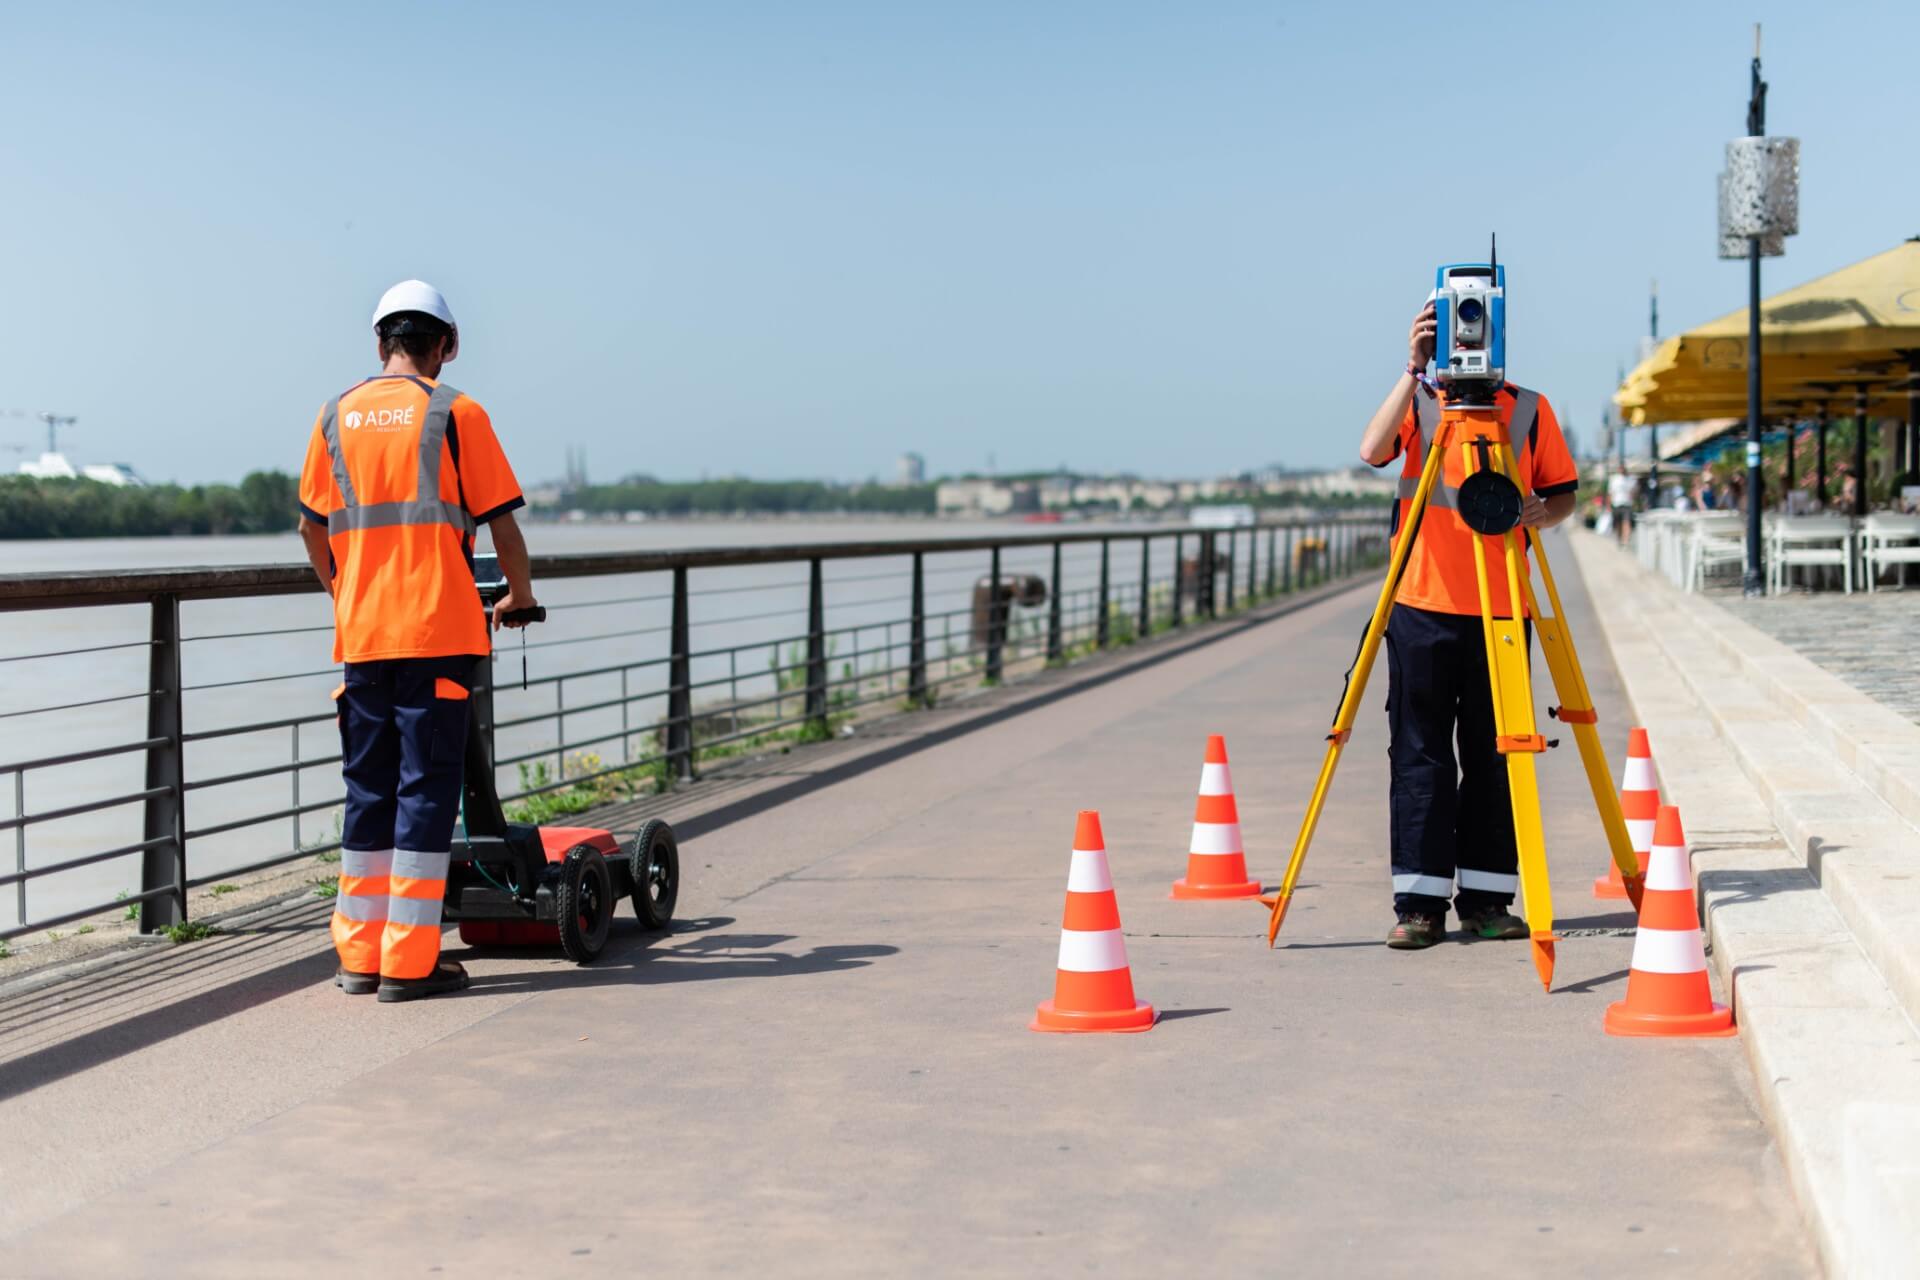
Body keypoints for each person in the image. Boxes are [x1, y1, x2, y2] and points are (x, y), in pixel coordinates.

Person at [297, 280, 538, 1002]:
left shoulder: (334, 416)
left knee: (366, 788)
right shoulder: (456, 411)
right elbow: (501, 522)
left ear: (380, 345)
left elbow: (312, 526)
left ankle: (359, 956)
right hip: (437, 631)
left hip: (363, 636)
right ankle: (409, 963)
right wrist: (520, 597)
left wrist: (345, 593)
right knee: (427, 793)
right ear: (448, 346)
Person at [1358, 300, 1579, 949]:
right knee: (1420, 754)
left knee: (1495, 755)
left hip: (1503, 607)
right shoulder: (1422, 404)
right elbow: (1372, 449)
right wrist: (1413, 368)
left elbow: (1564, 493)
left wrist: (1545, 512)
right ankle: (1419, 905)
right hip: (1422, 603)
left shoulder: (1531, 410)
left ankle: (1487, 899)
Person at [1606, 466, 1637, 544]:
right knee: (1618, 523)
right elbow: (1610, 493)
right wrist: (1609, 505)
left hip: (1627, 504)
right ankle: (1619, 538)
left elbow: (1634, 492)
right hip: (1616, 504)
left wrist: (1633, 499)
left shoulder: (1630, 479)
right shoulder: (1614, 479)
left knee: (1627, 522)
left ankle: (1625, 540)